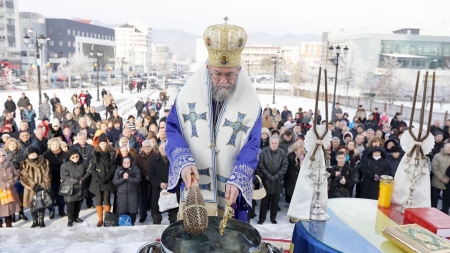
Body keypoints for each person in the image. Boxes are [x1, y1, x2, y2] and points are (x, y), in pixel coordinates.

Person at [166, 21, 261, 222]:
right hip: (195, 188)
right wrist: (182, 161)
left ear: (239, 70)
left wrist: (239, 178)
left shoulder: (252, 103)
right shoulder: (186, 96)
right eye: (217, 74)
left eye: (230, 75)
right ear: (208, 68)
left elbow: (252, 145)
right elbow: (173, 130)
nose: (223, 81)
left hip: (230, 192)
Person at [257, 136, 288, 224]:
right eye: (272, 143)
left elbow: (285, 166)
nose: (274, 145)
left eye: (276, 143)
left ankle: (273, 218)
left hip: (277, 181)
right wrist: (269, 176)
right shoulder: (263, 152)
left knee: (275, 201)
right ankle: (261, 218)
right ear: (269, 143)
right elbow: (261, 165)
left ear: (278, 144)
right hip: (266, 181)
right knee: (264, 202)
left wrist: (276, 176)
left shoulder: (282, 153)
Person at [20, 146, 52, 227]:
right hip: (30, 189)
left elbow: (47, 174)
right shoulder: (24, 164)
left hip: (42, 187)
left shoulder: (45, 161)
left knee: (41, 204)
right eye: (31, 154)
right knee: (32, 205)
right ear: (27, 155)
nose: (33, 155)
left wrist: (44, 185)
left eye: (34, 153)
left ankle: (41, 220)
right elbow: (24, 176)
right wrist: (33, 186)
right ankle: (35, 220)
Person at [89, 134, 116, 227]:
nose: (103, 145)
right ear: (99, 144)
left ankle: (107, 219)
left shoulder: (111, 153)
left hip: (107, 180)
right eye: (101, 143)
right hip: (97, 181)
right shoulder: (95, 154)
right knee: (99, 200)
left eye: (104, 143)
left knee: (107, 199)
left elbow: (113, 167)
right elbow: (92, 168)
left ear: (107, 143)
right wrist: (98, 178)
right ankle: (100, 219)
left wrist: (107, 177)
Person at [148, 141, 178, 224]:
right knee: (156, 215)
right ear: (158, 149)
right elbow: (150, 175)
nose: (163, 150)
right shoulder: (153, 161)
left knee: (173, 213)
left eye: (165, 148)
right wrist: (160, 184)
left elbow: (178, 173)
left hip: (172, 189)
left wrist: (173, 183)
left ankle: (172, 230)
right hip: (158, 190)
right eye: (161, 148)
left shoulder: (173, 159)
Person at [60, 149, 90, 227]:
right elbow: (65, 177)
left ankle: (76, 217)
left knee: (79, 204)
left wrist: (82, 180)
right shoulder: (65, 165)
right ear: (70, 158)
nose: (76, 158)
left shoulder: (84, 163)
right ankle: (70, 219)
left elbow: (88, 172)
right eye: (73, 157)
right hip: (70, 188)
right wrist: (77, 181)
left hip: (81, 187)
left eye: (77, 156)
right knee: (70, 205)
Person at [43, 139, 68, 219]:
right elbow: (45, 167)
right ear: (50, 146)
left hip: (62, 179)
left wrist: (55, 168)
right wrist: (55, 168)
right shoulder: (46, 155)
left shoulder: (65, 154)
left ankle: (61, 211)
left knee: (61, 196)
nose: (55, 146)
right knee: (50, 197)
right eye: (53, 145)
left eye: (57, 144)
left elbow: (67, 166)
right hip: (50, 179)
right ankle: (51, 210)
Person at [113, 157, 141, 225]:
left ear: (130, 162)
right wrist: (123, 178)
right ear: (122, 163)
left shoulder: (135, 169)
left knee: (132, 213)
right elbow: (115, 182)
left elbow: (138, 180)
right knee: (122, 213)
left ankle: (132, 225)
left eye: (128, 162)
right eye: (124, 163)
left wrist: (128, 178)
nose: (126, 164)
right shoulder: (118, 170)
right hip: (121, 195)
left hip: (133, 194)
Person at [4, 138, 28, 222]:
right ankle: (12, 214)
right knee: (10, 196)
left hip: (20, 177)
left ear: (17, 145)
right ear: (7, 146)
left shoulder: (22, 154)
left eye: (14, 144)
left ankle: (21, 212)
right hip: (8, 178)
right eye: (10, 144)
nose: (12, 146)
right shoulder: (4, 154)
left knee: (20, 195)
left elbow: (26, 166)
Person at [134, 140, 157, 223]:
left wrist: (151, 176)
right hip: (142, 180)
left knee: (153, 199)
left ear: (152, 147)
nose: (147, 148)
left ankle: (154, 215)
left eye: (149, 146)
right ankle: (143, 215)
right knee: (142, 199)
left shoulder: (156, 156)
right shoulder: (138, 157)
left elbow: (158, 168)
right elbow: (136, 168)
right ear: (142, 148)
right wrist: (144, 175)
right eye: (145, 146)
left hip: (153, 180)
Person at [0, 148, 21, 227]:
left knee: (9, 208)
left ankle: (9, 224)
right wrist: (4, 185)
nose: (2, 157)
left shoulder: (10, 164)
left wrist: (10, 183)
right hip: (0, 190)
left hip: (10, 189)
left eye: (3, 155)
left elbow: (15, 175)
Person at [431, 143, 450, 212]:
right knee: (434, 199)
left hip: (448, 183)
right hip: (437, 181)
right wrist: (442, 178)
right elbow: (434, 168)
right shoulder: (437, 156)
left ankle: (444, 214)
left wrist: (448, 178)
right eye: (447, 147)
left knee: (446, 201)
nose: (449, 149)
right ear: (443, 148)